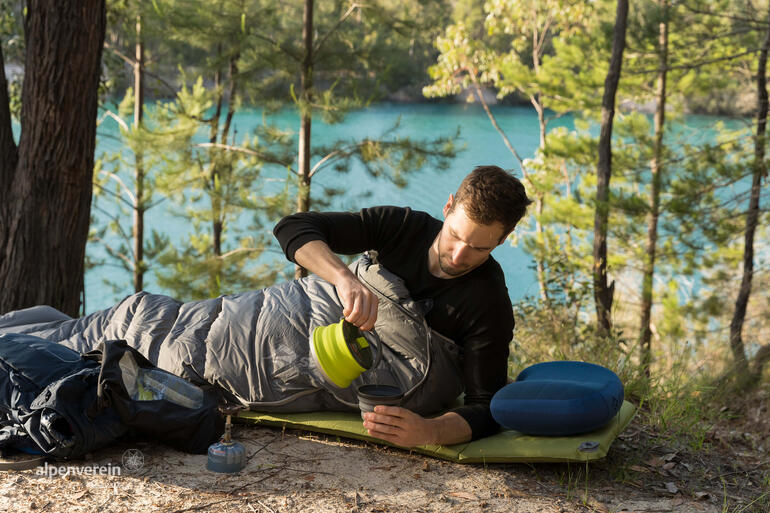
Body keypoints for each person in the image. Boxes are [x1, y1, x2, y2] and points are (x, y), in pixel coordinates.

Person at [273, 165, 532, 447]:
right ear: (448, 207)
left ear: (504, 238)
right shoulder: (403, 227)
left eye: (479, 248)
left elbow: (486, 407)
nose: (459, 256)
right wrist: (344, 278)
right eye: (456, 236)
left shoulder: (488, 302)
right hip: (309, 316)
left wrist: (430, 431)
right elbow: (292, 227)